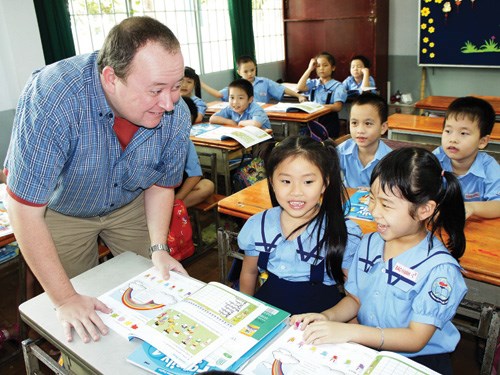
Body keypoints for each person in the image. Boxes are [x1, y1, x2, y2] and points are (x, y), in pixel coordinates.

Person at [3, 16, 190, 344]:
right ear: (110, 78)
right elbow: (23, 210)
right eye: (156, 90)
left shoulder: (176, 114)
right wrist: (65, 299)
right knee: (80, 309)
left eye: (176, 87)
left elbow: (162, 184)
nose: (169, 102)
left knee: (151, 285)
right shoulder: (53, 100)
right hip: (63, 210)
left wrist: (159, 248)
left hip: (130, 201)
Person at [291, 147, 468, 375]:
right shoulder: (370, 243)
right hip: (370, 347)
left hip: (418, 360)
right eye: (372, 199)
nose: (374, 211)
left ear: (424, 210)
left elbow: (416, 338)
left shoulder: (440, 270)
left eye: (386, 204)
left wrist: (350, 333)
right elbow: (355, 299)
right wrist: (326, 317)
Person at [238, 135, 362, 315]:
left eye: (308, 182)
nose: (296, 192)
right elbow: (249, 273)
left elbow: (355, 296)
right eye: (286, 181)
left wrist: (330, 320)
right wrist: (246, 312)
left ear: (324, 183)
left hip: (319, 322)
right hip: (269, 317)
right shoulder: (258, 225)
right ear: (272, 182)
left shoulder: (342, 232)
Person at [433, 96, 500, 219]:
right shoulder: (434, 160)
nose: (453, 139)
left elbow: (498, 204)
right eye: (448, 131)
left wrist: (472, 208)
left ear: (482, 141)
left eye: (463, 133)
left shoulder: (489, 167)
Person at [337, 92, 392, 188]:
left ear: (383, 127)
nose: (360, 130)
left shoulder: (390, 160)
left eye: (368, 123)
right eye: (354, 123)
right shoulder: (342, 150)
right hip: (349, 201)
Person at [201, 55, 307, 103]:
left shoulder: (264, 82)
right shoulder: (236, 86)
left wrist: (298, 96)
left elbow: (281, 89)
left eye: (252, 70)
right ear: (239, 72)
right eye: (246, 71)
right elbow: (218, 94)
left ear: (255, 68)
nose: (250, 73)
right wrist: (201, 83)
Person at [296, 52, 347, 138]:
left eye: (325, 65)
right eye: (318, 66)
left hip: (328, 122)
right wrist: (309, 69)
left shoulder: (338, 86)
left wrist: (318, 106)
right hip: (311, 120)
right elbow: (300, 87)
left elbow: (337, 106)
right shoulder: (313, 83)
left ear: (333, 68)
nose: (321, 69)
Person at [177, 96, 215, 208]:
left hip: (176, 191)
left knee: (207, 186)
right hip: (156, 193)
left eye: (186, 124)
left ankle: (173, 208)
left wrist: (177, 198)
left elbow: (195, 175)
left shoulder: (187, 143)